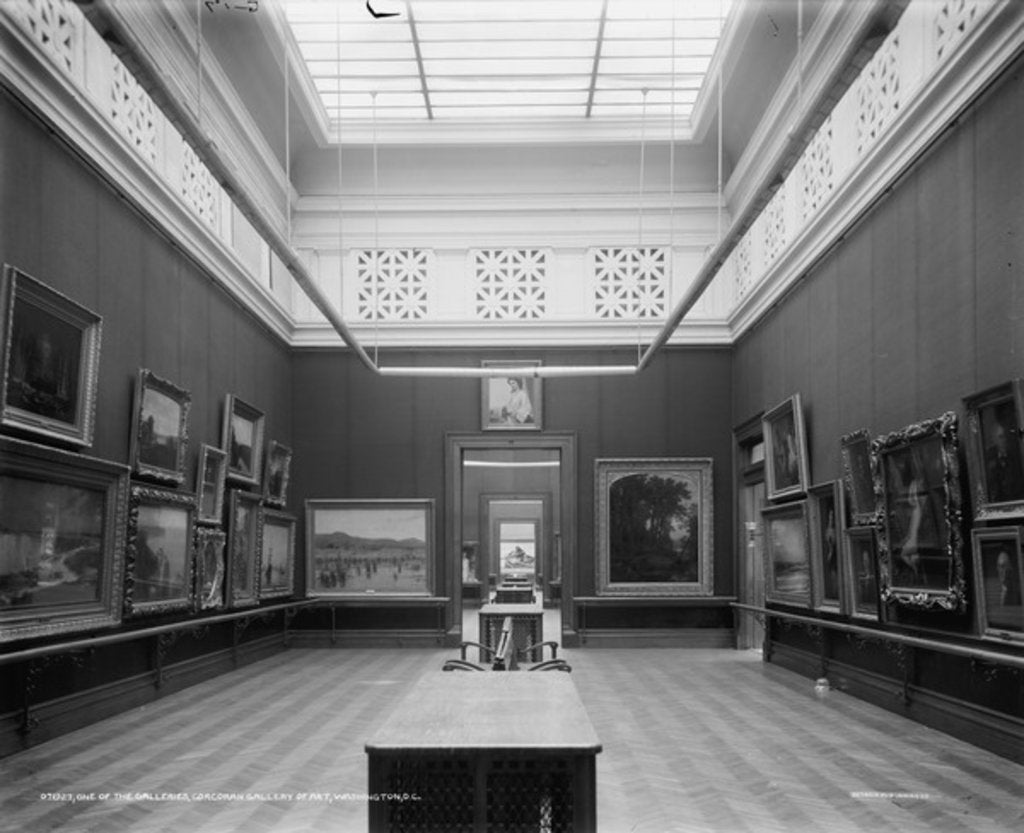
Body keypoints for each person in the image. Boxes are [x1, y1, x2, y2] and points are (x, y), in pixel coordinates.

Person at [984, 419, 1024, 503]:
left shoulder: (1016, 457)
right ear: (994, 439)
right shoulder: (988, 458)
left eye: (1006, 436)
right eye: (1001, 437)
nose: (1004, 440)